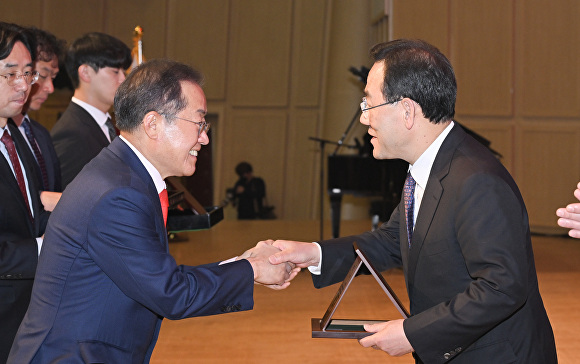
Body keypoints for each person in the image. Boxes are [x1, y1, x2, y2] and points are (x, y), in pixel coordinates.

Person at [268, 39, 557, 363]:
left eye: (368, 106)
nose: (364, 120)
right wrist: (314, 254)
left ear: (407, 110)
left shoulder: (477, 180)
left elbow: (501, 287)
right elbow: (393, 240)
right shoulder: (429, 166)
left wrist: (413, 334)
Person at [8, 59, 297, 364]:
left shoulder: (125, 176)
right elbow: (170, 293)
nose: (205, 138)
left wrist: (244, 263)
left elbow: (159, 276)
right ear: (153, 124)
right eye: (199, 124)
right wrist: (252, 269)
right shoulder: (118, 193)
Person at [0, 22, 51, 364]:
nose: (23, 85)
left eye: (28, 73)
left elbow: (29, 217)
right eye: (10, 73)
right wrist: (47, 247)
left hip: (25, 322)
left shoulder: (16, 137)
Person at [50, 32, 132, 189]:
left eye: (124, 72)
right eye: (115, 71)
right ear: (86, 73)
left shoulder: (106, 124)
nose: (123, 79)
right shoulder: (71, 134)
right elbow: (68, 201)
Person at [10, 27, 65, 196]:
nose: (50, 88)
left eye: (53, 78)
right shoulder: (5, 135)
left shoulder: (41, 133)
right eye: (43, 75)